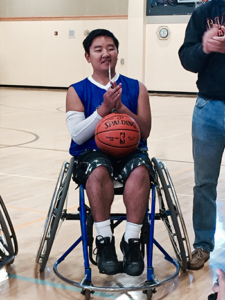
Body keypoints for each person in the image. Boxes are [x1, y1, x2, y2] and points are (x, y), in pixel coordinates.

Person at [66, 29, 154, 276]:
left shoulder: (137, 88)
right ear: (87, 56)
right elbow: (78, 135)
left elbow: (145, 131)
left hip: (131, 152)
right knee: (97, 170)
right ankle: (104, 241)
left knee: (140, 170)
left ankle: (133, 241)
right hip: (92, 154)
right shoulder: (77, 90)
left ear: (117, 52)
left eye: (111, 48)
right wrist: (103, 110)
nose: (106, 54)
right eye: (98, 49)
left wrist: (122, 108)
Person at [179, 0, 225, 270]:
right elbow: (187, 58)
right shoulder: (202, 13)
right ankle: (202, 245)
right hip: (208, 107)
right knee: (204, 183)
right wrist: (205, 47)